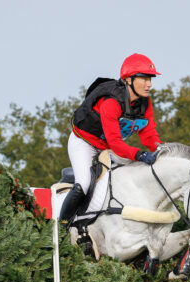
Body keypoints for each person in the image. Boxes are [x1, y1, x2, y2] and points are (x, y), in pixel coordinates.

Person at [59, 53, 164, 223]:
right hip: (84, 143)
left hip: (107, 148)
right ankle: (61, 225)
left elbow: (149, 136)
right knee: (83, 184)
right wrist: (141, 155)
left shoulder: (145, 103)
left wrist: (162, 149)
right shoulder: (111, 102)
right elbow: (116, 143)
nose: (149, 84)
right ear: (128, 79)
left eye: (150, 79)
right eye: (144, 79)